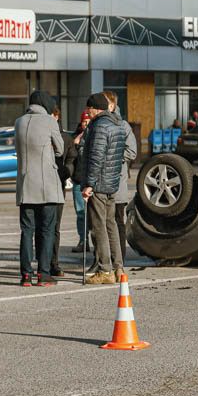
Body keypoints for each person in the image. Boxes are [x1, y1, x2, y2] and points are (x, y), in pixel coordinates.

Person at [78, 93, 130, 285]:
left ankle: (105, 270)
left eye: (88, 109)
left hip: (98, 184)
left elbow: (96, 157)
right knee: (111, 225)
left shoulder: (99, 126)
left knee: (99, 226)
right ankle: (118, 268)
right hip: (111, 183)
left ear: (95, 108)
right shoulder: (117, 124)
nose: (87, 112)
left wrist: (89, 184)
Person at [14, 90, 64, 287]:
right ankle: (43, 274)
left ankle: (26, 275)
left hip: (25, 184)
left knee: (27, 231)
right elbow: (60, 149)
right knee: (47, 230)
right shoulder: (50, 121)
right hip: (46, 185)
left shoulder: (19, 122)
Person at [103, 90, 137, 266]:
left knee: (117, 222)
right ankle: (101, 259)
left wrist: (112, 156)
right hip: (100, 184)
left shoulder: (123, 126)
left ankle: (119, 260)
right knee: (99, 224)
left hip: (117, 183)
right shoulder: (98, 124)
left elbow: (132, 152)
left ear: (112, 105)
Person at [48, 106, 75, 278]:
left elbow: (72, 160)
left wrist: (65, 173)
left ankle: (53, 263)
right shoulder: (41, 133)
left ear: (57, 116)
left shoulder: (65, 138)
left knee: (54, 227)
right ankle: (46, 263)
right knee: (44, 227)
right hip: (45, 185)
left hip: (58, 185)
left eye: (51, 115)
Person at [69, 109, 91, 253]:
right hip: (78, 180)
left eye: (88, 122)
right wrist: (76, 143)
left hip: (92, 182)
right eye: (84, 122)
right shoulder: (75, 137)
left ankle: (96, 242)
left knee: (93, 214)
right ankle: (83, 240)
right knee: (81, 213)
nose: (86, 124)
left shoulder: (96, 134)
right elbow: (70, 156)